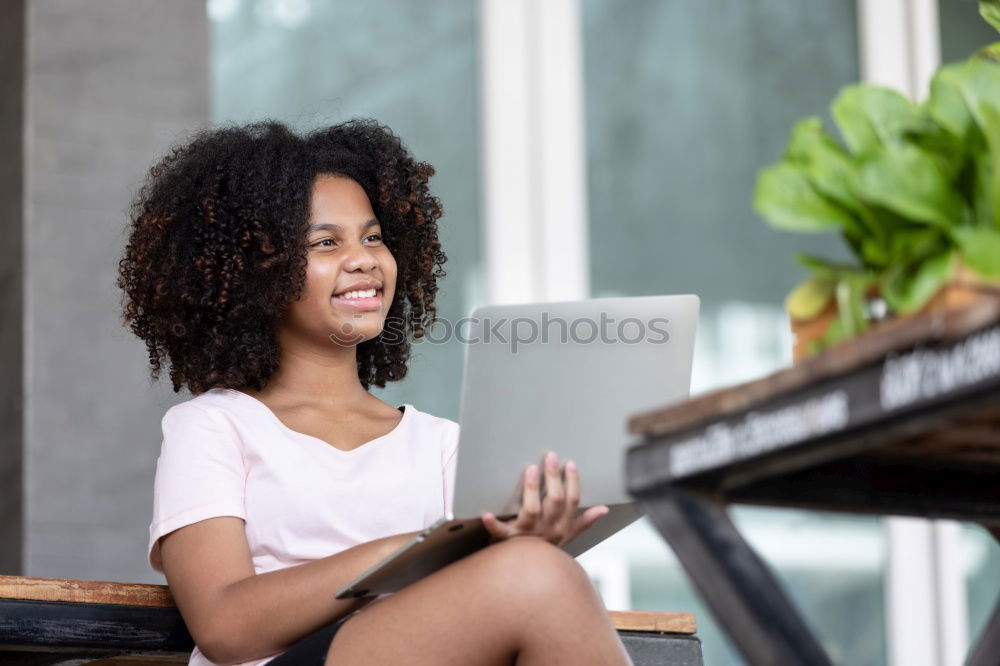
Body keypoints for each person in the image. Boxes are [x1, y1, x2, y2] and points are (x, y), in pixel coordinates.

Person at [117, 119, 633, 666]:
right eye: (325, 242)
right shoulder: (214, 427)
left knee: (541, 569)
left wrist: (520, 541)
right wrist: (406, 550)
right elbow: (224, 626)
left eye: (372, 236)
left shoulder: (443, 447)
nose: (363, 258)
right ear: (253, 273)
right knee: (535, 576)